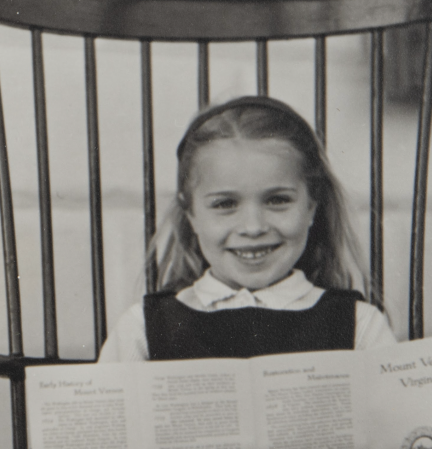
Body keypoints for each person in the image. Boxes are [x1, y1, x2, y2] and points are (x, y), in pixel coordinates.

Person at [98, 95, 396, 363]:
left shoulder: (360, 326)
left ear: (311, 208)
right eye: (225, 204)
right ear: (191, 214)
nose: (253, 227)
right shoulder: (144, 329)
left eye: (277, 200)